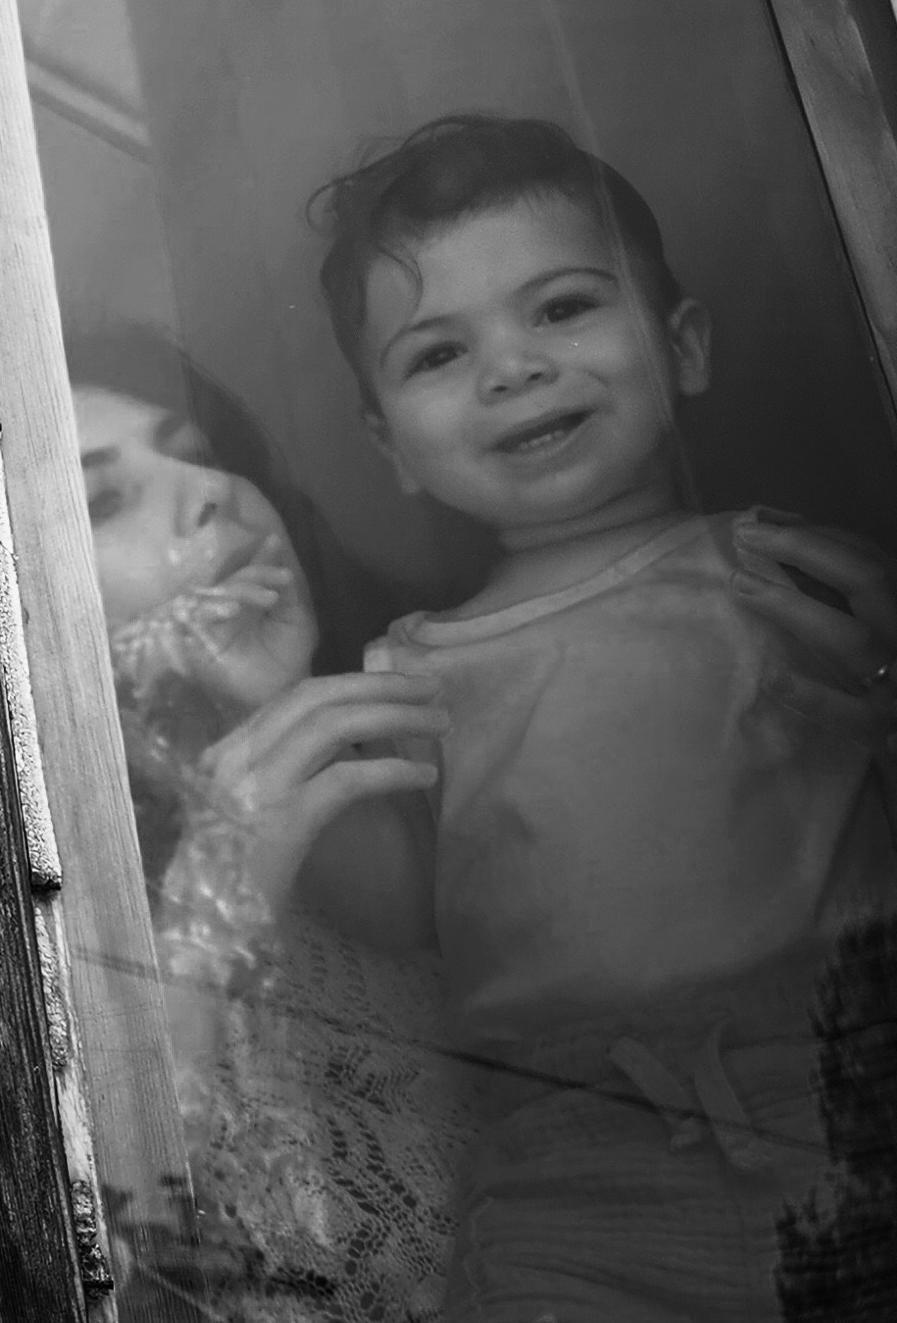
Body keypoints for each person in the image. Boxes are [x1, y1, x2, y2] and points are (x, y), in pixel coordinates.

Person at [307, 113, 897, 1322]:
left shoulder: (784, 575)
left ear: (682, 344)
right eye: (436, 354)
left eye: (564, 306)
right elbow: (390, 913)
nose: (512, 368)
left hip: (852, 1088)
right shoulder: (410, 673)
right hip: (574, 1160)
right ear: (389, 446)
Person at [73, 378, 464, 1321]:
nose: (213, 490)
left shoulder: (431, 716)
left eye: (199, 451)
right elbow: (112, 1266)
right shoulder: (42, 915)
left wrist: (259, 711)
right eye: (103, 501)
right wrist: (217, 890)